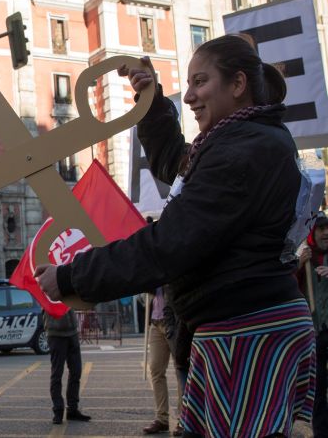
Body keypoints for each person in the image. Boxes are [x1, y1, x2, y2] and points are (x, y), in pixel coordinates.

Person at [36, 34, 315, 437]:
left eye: (200, 82)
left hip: (247, 333)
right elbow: (175, 164)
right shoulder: (239, 140)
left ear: (237, 85)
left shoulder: (244, 149)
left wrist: (71, 276)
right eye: (187, 84)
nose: (190, 96)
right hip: (239, 327)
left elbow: (167, 244)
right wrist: (151, 102)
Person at [296, 211, 328, 438]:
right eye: (321, 229)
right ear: (312, 232)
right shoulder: (302, 255)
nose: (326, 233)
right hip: (312, 333)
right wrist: (298, 264)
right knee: (317, 389)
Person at [143, 287, 184, 436]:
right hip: (155, 322)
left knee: (180, 370)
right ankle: (162, 418)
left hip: (173, 321)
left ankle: (184, 419)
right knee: (155, 369)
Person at [43, 309, 91, 424]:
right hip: (56, 334)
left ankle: (72, 410)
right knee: (57, 374)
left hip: (72, 332)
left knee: (76, 372)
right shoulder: (46, 292)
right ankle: (58, 410)